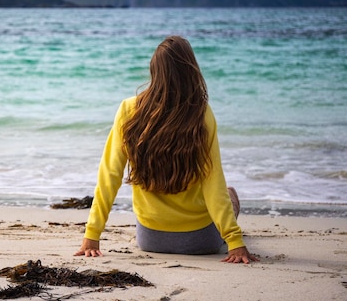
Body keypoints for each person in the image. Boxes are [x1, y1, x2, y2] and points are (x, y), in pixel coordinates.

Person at [75, 36, 257, 264]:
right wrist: (235, 242)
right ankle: (229, 229)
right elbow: (214, 183)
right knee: (230, 193)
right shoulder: (201, 113)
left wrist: (92, 235)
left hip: (151, 239)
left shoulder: (128, 109)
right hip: (201, 241)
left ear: (154, 71)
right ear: (191, 71)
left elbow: (109, 176)